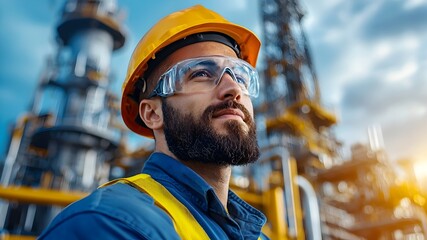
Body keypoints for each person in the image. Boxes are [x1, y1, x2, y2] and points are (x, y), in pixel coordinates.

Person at [39, 4, 267, 239]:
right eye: (201, 73)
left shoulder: (258, 235)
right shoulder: (107, 224)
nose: (234, 89)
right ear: (152, 114)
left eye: (240, 76)